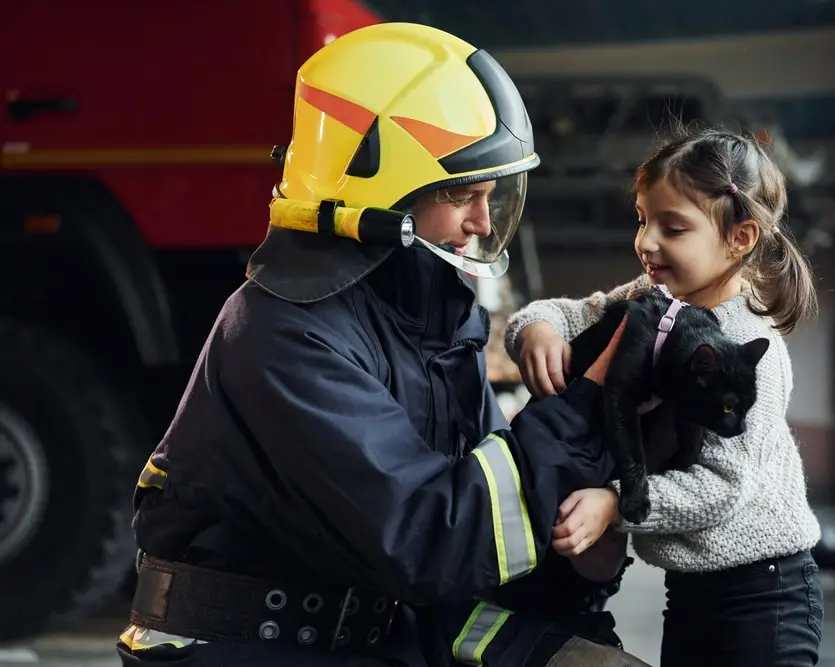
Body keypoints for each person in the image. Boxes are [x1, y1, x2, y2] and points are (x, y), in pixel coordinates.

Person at [116, 22, 652, 667]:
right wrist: (586, 402)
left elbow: (490, 537)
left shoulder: (430, 319)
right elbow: (435, 539)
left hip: (383, 630)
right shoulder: (283, 334)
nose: (482, 223)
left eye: (491, 197)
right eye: (462, 195)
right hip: (250, 648)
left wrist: (589, 549)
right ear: (377, 193)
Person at [504, 126, 826, 667]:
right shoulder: (653, 300)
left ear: (740, 239)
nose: (646, 242)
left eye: (672, 228)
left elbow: (723, 487)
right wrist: (537, 327)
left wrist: (615, 502)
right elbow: (571, 312)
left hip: (765, 596)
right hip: (692, 590)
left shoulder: (751, 350)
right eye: (642, 220)